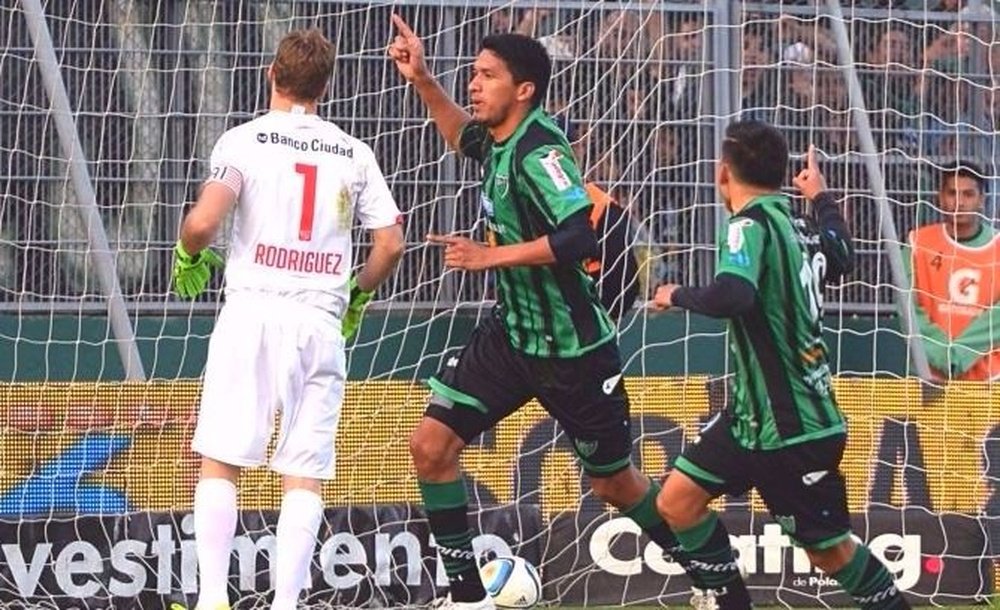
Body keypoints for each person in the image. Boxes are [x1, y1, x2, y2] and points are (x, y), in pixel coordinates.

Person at [387, 14, 704, 609]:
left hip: (573, 351)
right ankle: (468, 597)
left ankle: (710, 577)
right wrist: (424, 80)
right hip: (512, 337)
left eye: (486, 76)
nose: (474, 85)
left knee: (614, 483)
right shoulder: (500, 141)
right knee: (431, 447)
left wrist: (492, 256)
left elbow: (577, 238)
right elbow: (463, 136)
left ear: (524, 89)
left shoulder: (540, 151)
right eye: (473, 73)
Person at [172, 28, 404, 610]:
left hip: (252, 312)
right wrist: (357, 292)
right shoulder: (353, 151)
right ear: (326, 86)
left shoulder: (243, 142)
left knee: (221, 459)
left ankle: (214, 600)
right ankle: (286, 604)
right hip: (319, 320)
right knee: (304, 471)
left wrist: (189, 252)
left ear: (271, 74)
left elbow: (203, 224)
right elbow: (391, 244)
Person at [653, 121, 911, 610]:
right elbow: (842, 256)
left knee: (828, 552)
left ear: (721, 173)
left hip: (794, 428)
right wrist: (822, 198)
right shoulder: (799, 223)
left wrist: (675, 293)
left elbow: (733, 294)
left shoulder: (748, 225)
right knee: (676, 501)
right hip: (750, 420)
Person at [906, 162, 1000, 380]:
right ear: (940, 197)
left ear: (981, 200)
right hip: (931, 376)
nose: (959, 202)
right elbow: (908, 309)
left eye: (968, 194)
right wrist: (942, 355)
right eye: (952, 193)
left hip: (990, 379)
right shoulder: (918, 243)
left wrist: (958, 355)